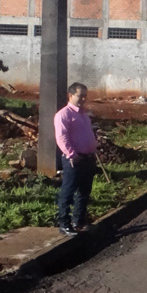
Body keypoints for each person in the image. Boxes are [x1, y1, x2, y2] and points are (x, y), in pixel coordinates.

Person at [55, 82, 99, 237]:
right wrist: (72, 154)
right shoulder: (64, 114)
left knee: (84, 192)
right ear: (71, 95)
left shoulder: (83, 114)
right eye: (80, 96)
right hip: (74, 159)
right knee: (68, 191)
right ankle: (64, 224)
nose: (83, 99)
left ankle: (78, 221)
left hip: (88, 158)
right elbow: (62, 137)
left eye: (85, 96)